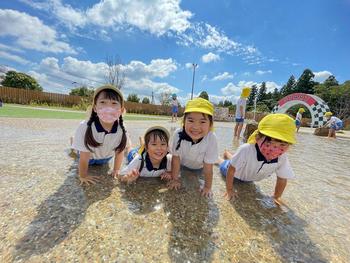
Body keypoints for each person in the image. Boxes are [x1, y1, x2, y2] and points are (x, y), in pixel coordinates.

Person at [219, 113, 296, 205]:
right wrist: (229, 190)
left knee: (237, 160)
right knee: (224, 163)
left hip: (248, 177)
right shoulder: (246, 149)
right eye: (269, 143)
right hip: (233, 173)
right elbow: (231, 169)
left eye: (282, 145)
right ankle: (222, 156)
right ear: (258, 138)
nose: (274, 149)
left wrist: (276, 196)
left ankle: (229, 154)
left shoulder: (282, 157)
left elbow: (282, 179)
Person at [71, 84, 127, 185]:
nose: (108, 108)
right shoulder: (85, 126)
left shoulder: (122, 129)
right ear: (95, 108)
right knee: (75, 152)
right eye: (103, 102)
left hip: (105, 159)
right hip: (89, 158)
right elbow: (84, 157)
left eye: (114, 103)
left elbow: (120, 151)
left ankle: (74, 141)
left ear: (121, 110)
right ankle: (73, 142)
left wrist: (116, 170)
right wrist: (83, 176)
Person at [168, 97, 218, 197]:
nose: (196, 127)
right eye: (190, 120)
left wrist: (207, 187)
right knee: (168, 158)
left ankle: (218, 158)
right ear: (184, 121)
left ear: (210, 124)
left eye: (202, 122)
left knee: (197, 178)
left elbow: (208, 169)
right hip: (182, 165)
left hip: (199, 168)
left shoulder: (211, 138)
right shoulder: (178, 134)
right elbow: (176, 159)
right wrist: (175, 179)